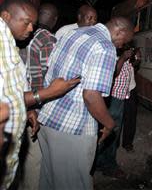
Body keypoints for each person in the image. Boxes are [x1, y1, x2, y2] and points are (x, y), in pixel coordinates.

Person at [37, 16, 134, 190]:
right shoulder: (105, 47)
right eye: (123, 42)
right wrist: (109, 124)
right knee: (74, 184)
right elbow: (90, 95)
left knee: (50, 179)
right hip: (72, 128)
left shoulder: (73, 33)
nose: (121, 47)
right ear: (119, 31)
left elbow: (49, 69)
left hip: (47, 119)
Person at [0, 0, 79, 190]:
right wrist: (47, 93)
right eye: (26, 23)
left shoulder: (11, 45)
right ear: (6, 16)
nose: (30, 29)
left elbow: (11, 89)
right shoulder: (45, 40)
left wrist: (26, 111)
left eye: (32, 24)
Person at [17, 3, 59, 190]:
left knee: (26, 154)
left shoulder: (21, 37)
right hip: (39, 105)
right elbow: (51, 76)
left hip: (23, 103)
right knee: (37, 158)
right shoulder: (49, 40)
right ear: (55, 20)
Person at [95, 46, 137, 177]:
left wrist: (133, 60)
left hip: (121, 97)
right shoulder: (112, 54)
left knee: (111, 133)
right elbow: (114, 74)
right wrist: (123, 57)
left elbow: (129, 71)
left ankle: (101, 162)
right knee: (110, 132)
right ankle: (108, 165)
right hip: (113, 98)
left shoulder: (124, 56)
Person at [121, 48, 141, 153]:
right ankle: (110, 146)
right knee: (116, 119)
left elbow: (133, 66)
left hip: (131, 89)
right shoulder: (114, 51)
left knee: (131, 119)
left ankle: (128, 143)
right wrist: (123, 57)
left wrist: (137, 58)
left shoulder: (130, 53)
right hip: (117, 91)